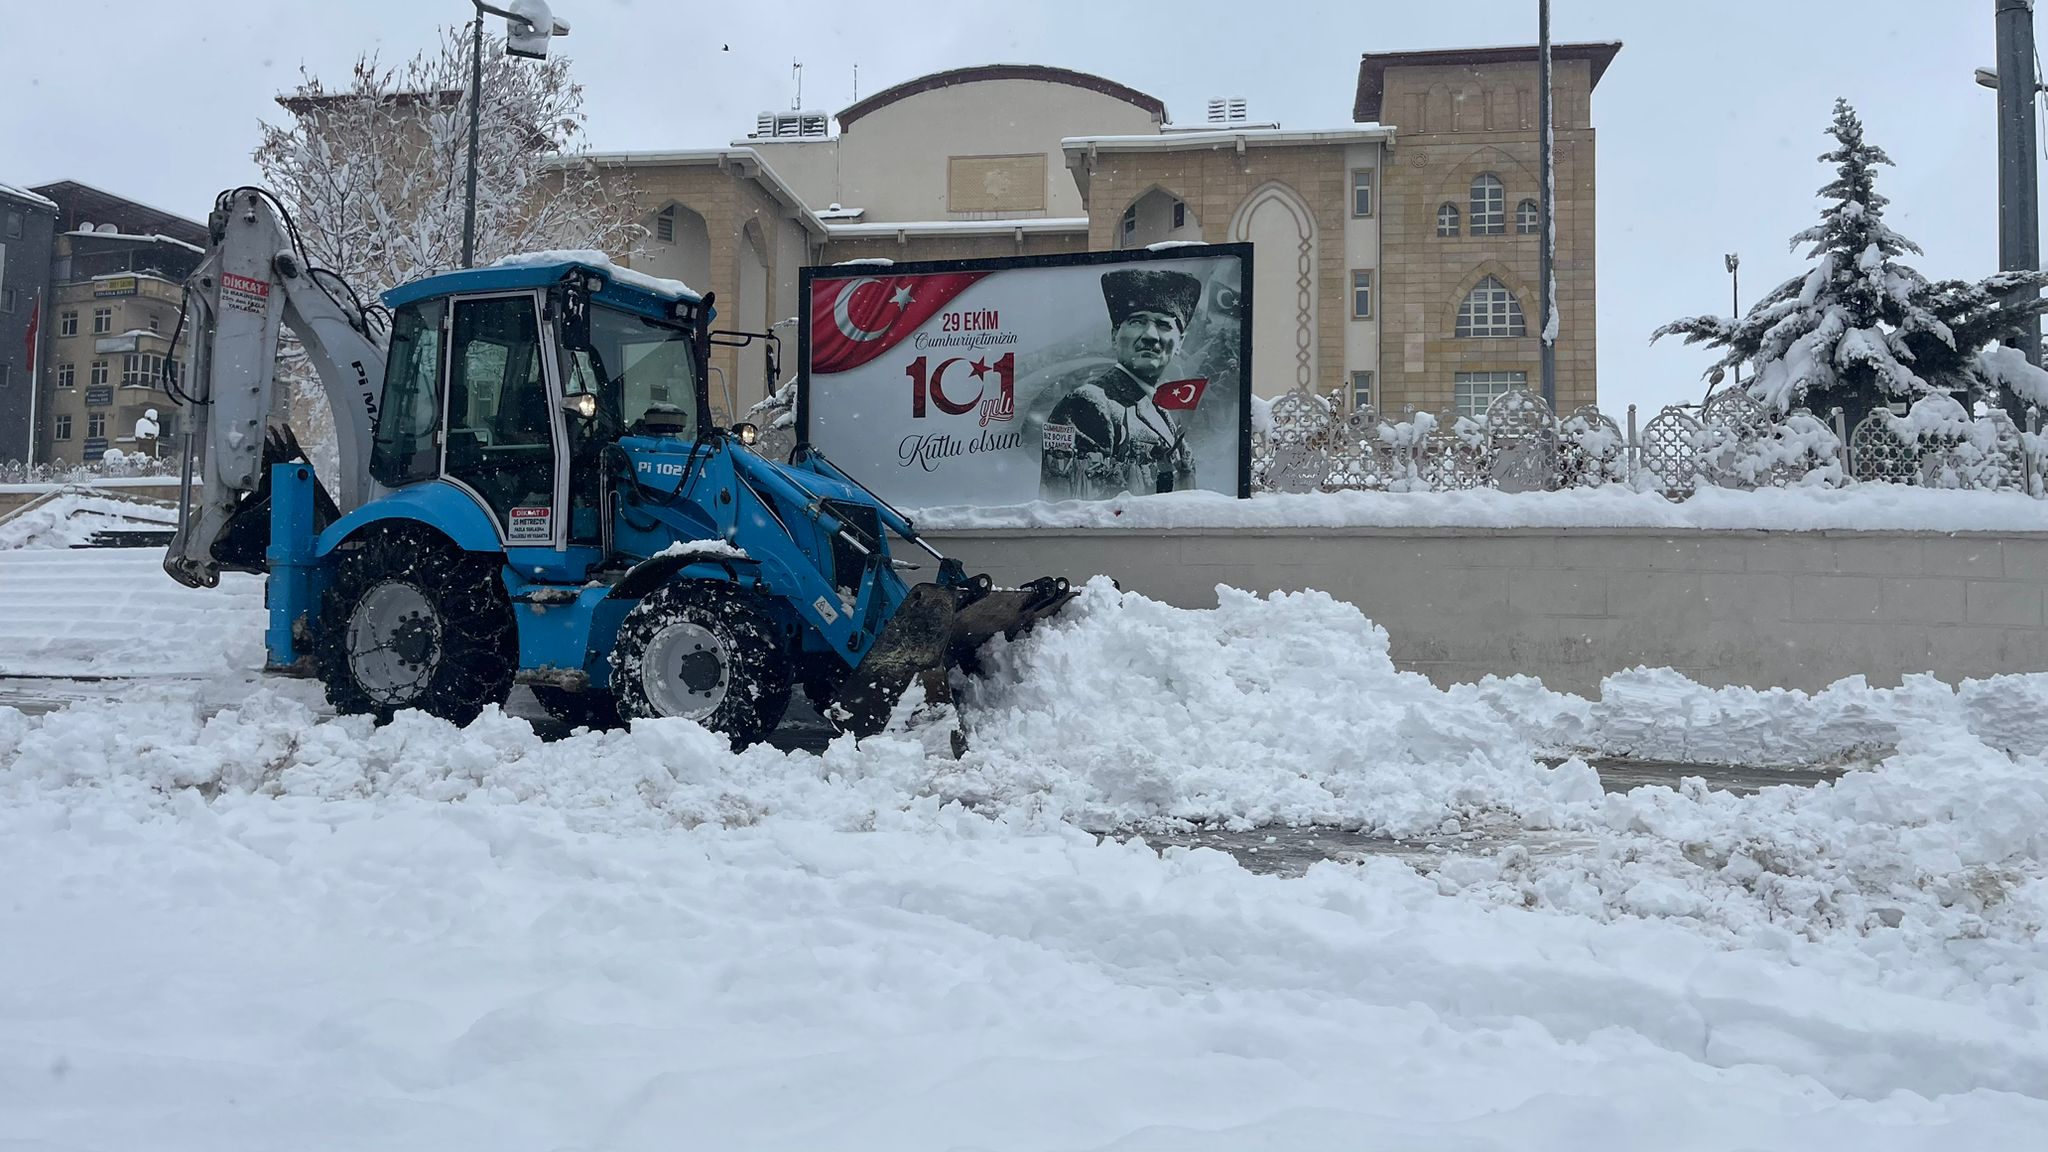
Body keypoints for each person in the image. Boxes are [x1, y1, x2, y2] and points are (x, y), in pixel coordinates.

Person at [1039, 267, 1205, 500]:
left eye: (1164, 325)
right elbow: (1072, 505)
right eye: (1137, 321)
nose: (1150, 335)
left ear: (1179, 343)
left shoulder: (1160, 412)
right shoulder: (1087, 404)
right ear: (1114, 334)